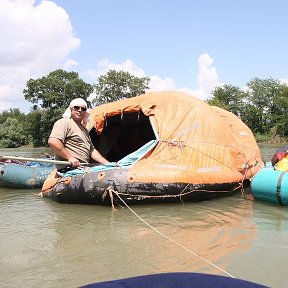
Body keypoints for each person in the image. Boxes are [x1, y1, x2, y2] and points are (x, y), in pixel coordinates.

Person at [48, 98, 109, 172]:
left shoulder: (84, 129)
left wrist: (107, 164)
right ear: (71, 109)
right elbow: (53, 141)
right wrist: (70, 158)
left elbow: (91, 150)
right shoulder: (64, 122)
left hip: (82, 167)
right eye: (76, 107)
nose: (80, 110)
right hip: (69, 168)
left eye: (83, 109)